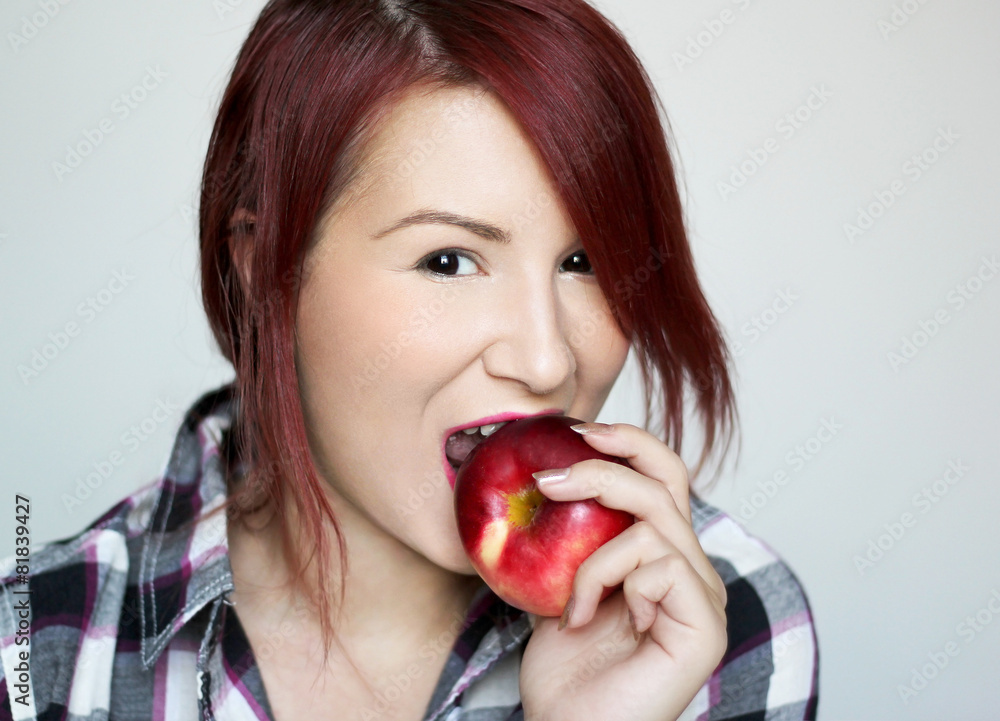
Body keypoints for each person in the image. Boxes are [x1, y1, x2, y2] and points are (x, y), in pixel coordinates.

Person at [0, 0, 819, 719]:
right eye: (449, 261)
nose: (546, 361)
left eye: (585, 262)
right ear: (266, 268)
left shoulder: (718, 635)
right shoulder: (38, 656)